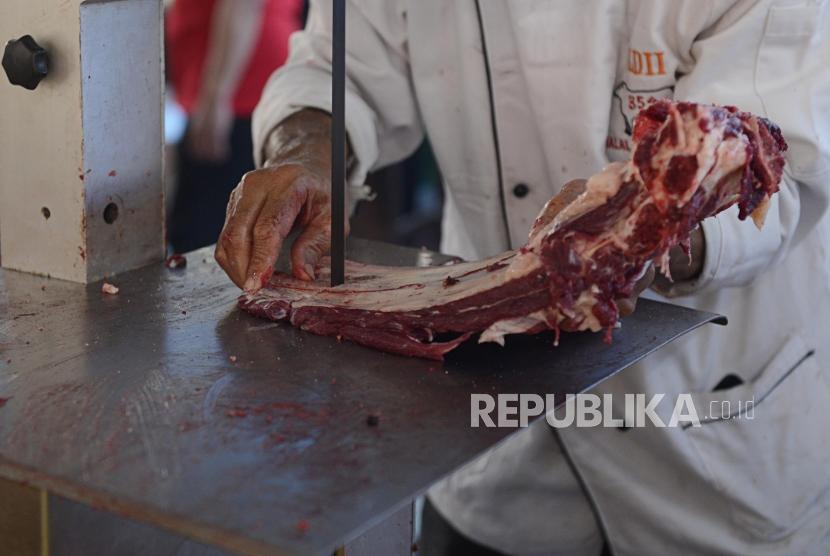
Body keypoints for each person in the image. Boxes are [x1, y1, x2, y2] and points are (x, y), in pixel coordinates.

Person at [215, 1, 830, 554]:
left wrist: (634, 236)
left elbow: (774, 165)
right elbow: (338, 70)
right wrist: (305, 150)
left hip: (708, 427)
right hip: (487, 429)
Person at [166, 0, 302, 253]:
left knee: (208, 234)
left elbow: (242, 5)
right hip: (238, 90)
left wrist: (216, 99)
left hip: (241, 93)